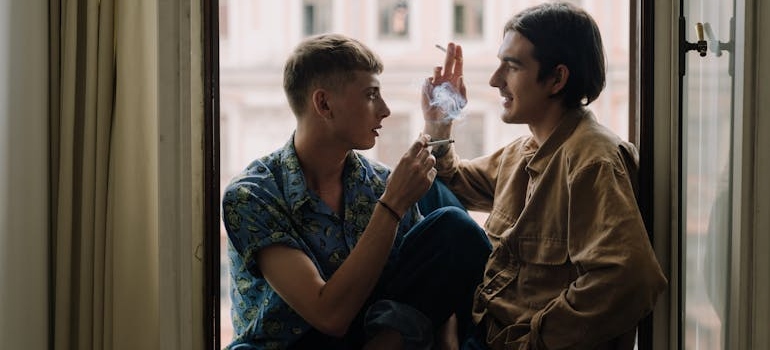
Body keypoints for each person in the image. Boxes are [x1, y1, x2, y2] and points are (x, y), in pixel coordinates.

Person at [421, 3, 668, 349]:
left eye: (512, 66)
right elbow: (445, 182)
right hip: (484, 327)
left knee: (445, 224)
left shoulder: (592, 160)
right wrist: (438, 122)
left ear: (557, 79)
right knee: (427, 193)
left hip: (518, 341)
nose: (495, 81)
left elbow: (631, 280)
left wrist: (533, 341)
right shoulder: (523, 151)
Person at [222, 33, 491, 349]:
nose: (386, 110)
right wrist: (391, 205)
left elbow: (433, 284)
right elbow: (327, 315)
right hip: (293, 344)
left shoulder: (377, 181)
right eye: (371, 95)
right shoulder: (253, 195)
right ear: (324, 103)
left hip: (375, 337)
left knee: (454, 227)